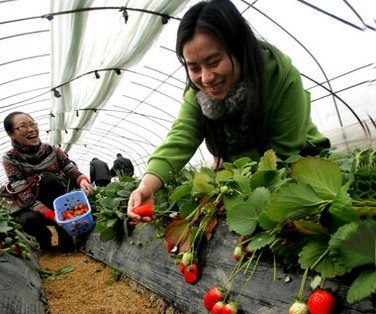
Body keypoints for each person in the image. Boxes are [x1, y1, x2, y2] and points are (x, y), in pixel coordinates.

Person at [127, 0, 330, 221]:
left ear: (239, 49)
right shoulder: (197, 93)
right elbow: (181, 136)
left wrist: (228, 175)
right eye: (194, 68)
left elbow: (284, 154)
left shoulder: (280, 77)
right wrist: (147, 185)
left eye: (213, 63)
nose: (206, 78)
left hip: (301, 167)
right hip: (243, 175)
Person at [2, 111, 92, 252]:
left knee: (50, 180)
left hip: (60, 202)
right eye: (23, 126)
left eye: (32, 124)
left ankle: (66, 238)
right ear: (11, 134)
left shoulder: (52, 149)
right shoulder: (10, 159)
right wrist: (52, 216)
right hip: (35, 207)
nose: (31, 129)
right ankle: (44, 237)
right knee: (27, 221)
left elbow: (69, 167)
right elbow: (27, 198)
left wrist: (82, 179)